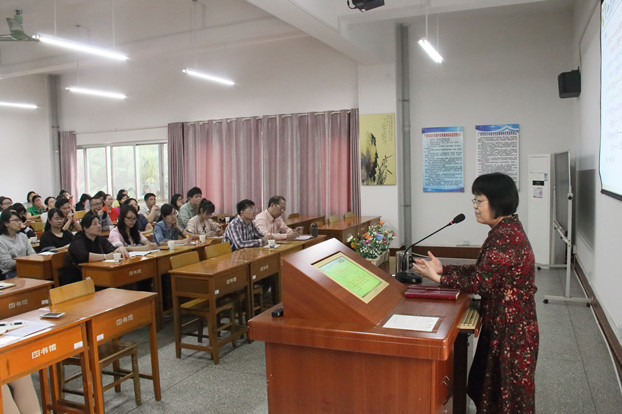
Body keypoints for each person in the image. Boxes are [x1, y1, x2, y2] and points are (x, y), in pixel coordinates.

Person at [412, 172, 538, 414]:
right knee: (494, 391)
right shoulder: (505, 229)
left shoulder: (506, 238)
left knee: (505, 395)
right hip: (506, 322)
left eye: (480, 201)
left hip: (511, 329)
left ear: (498, 202)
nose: (475, 207)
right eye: (475, 200)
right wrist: (445, 268)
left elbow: (482, 283)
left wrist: (439, 279)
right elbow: (484, 269)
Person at [64, 212, 129, 285]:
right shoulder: (78, 240)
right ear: (85, 228)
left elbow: (111, 250)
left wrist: (119, 249)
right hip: (78, 279)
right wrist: (105, 256)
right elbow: (84, 256)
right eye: (95, 224)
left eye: (99, 223)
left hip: (97, 273)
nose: (99, 226)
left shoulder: (99, 238)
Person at [0, 209, 35, 279]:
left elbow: (32, 253)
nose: (19, 223)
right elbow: (7, 263)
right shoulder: (1, 241)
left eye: (19, 220)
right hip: (11, 272)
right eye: (16, 220)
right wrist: (26, 261)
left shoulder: (22, 236)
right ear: (6, 223)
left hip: (27, 267)